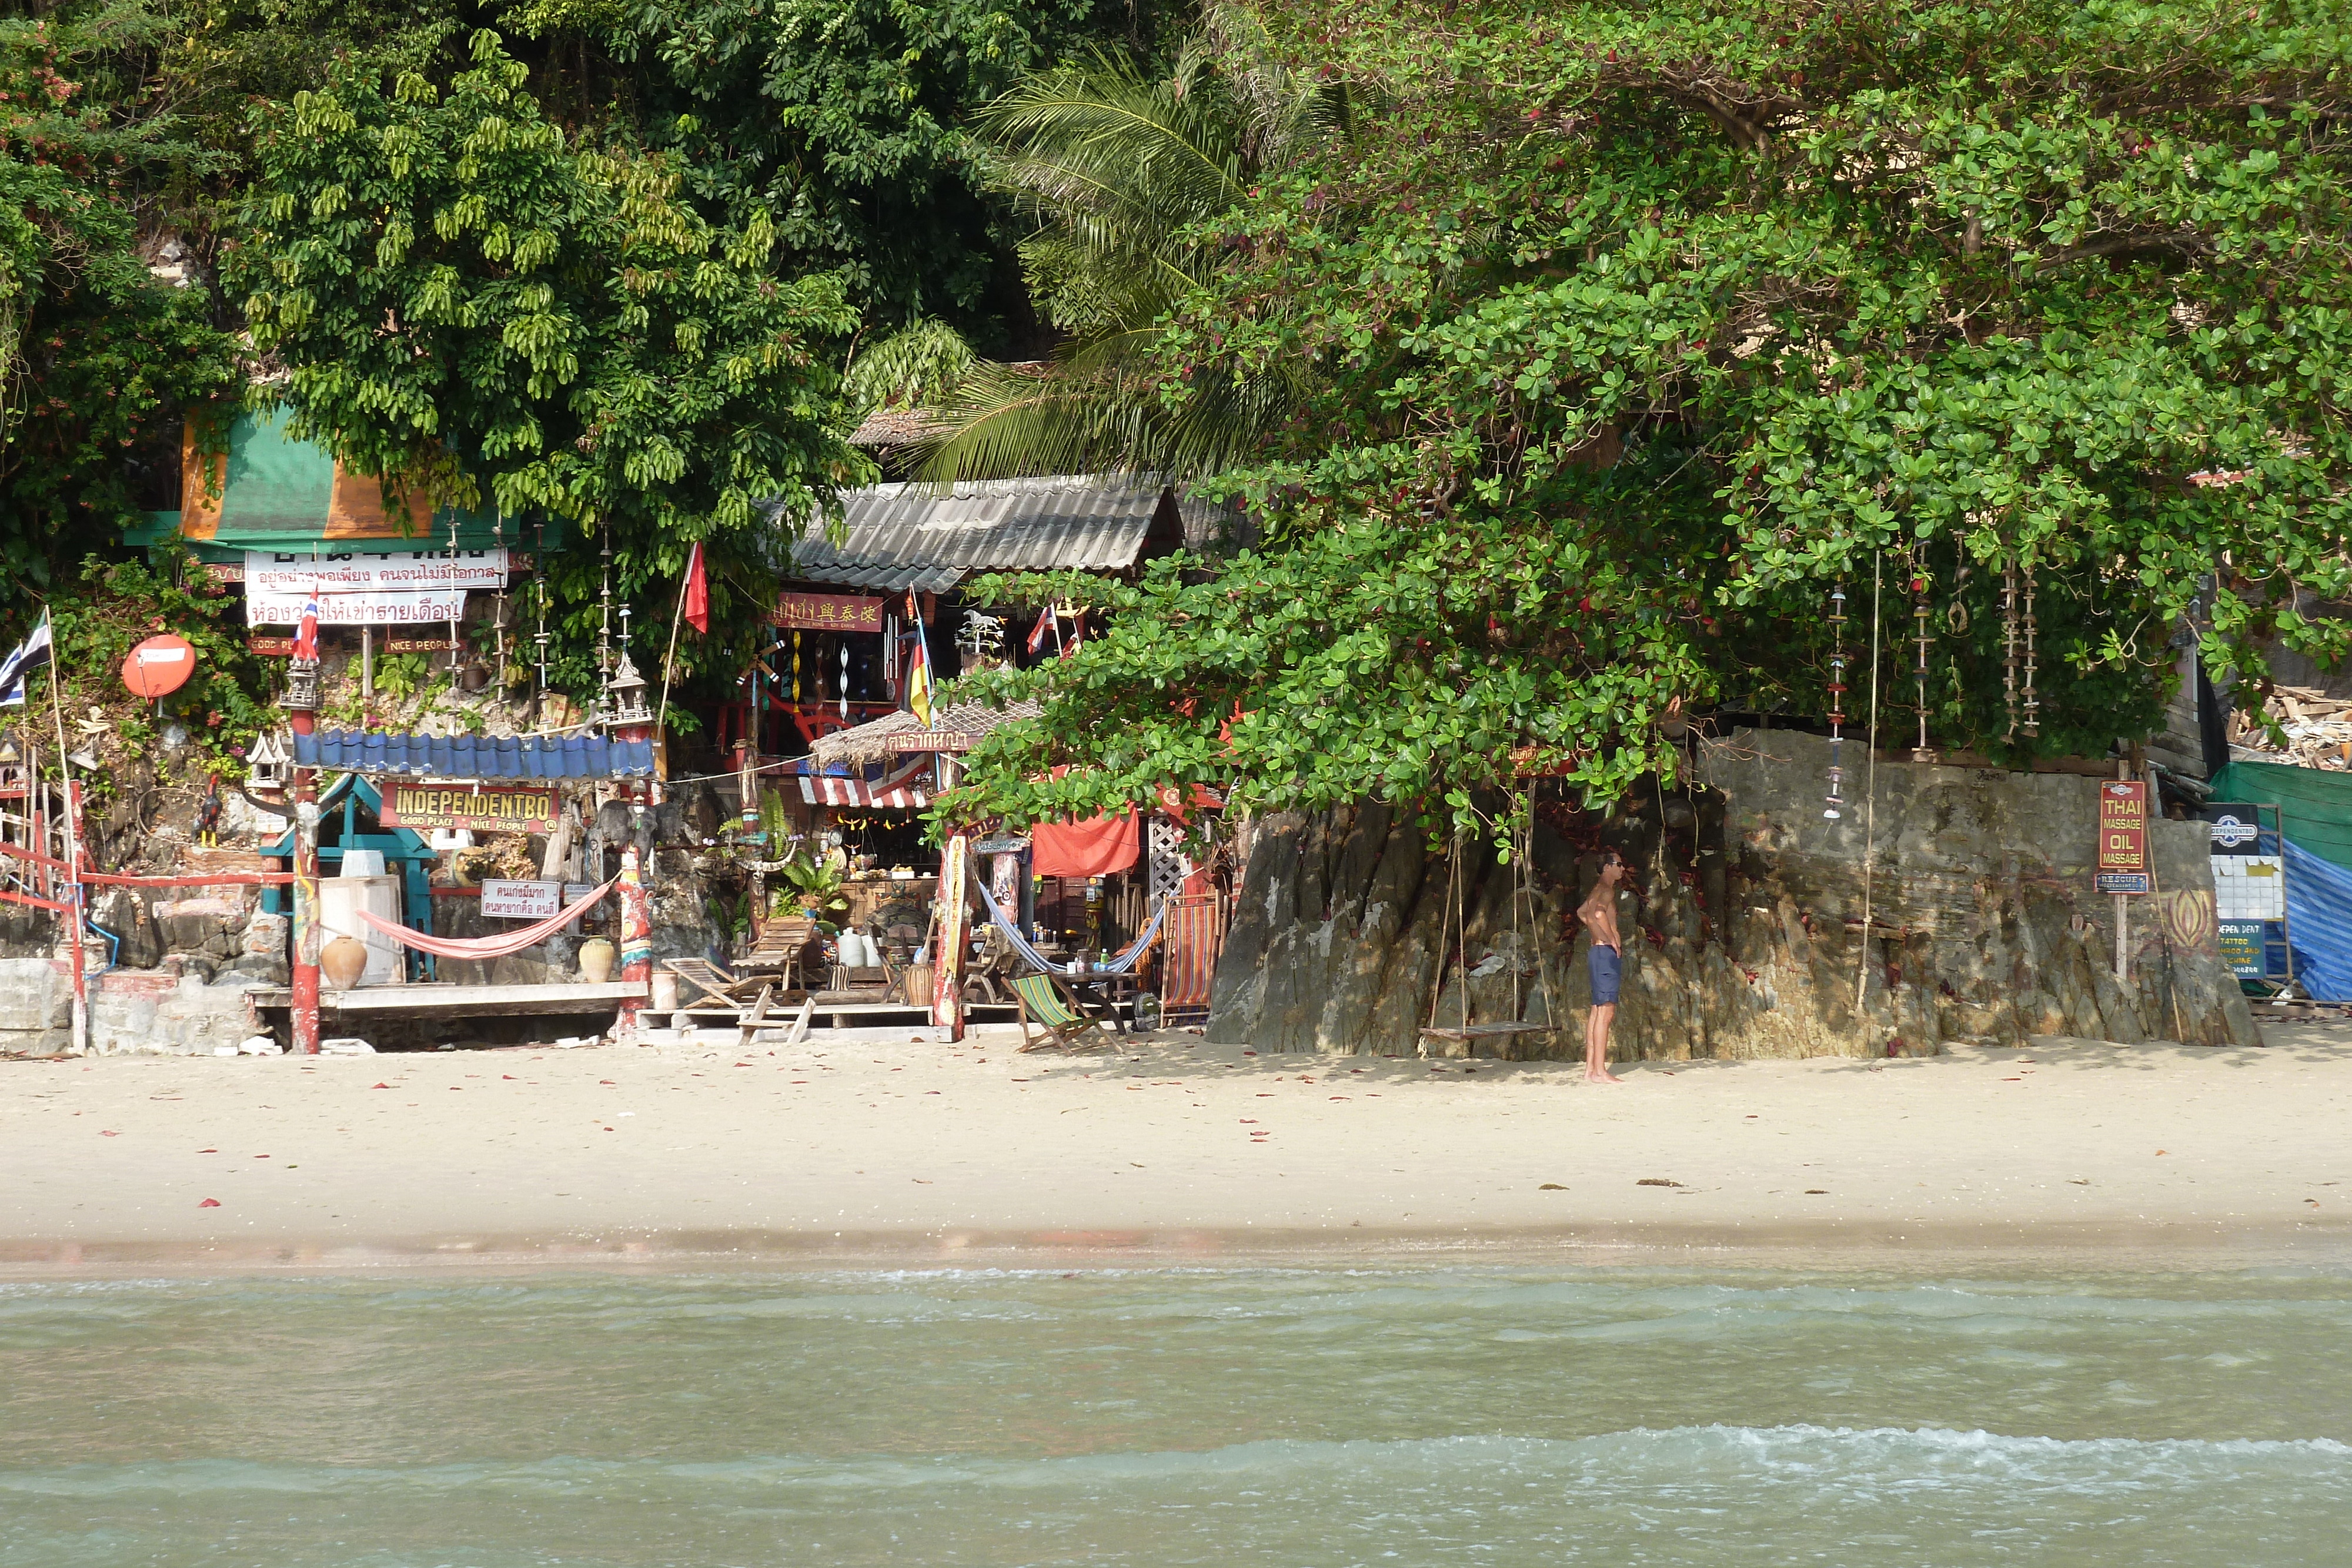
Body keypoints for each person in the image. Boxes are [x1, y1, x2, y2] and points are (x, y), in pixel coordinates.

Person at [1575, 850, 1628, 1083]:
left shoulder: (1597, 889)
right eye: (1618, 864)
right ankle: (1600, 1071)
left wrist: (1597, 934)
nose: (1622, 869)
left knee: (1597, 1011)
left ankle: (1590, 1070)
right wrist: (1611, 939)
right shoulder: (1607, 890)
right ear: (1607, 867)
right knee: (1606, 1012)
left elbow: (1582, 913)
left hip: (1596, 953)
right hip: (1605, 954)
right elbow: (1597, 913)